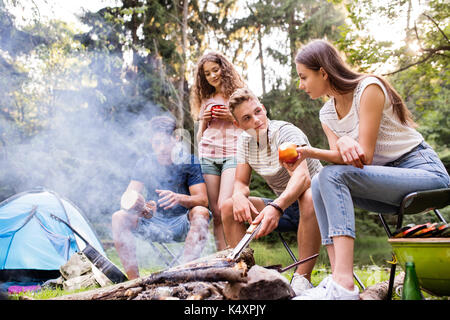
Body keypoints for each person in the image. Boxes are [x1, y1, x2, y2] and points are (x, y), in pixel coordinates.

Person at [292, 39, 450, 300]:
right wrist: (325, 148)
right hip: (386, 184)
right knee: (321, 179)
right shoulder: (326, 114)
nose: (301, 85)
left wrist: (313, 150)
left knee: (328, 175)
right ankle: (337, 279)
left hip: (425, 173)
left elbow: (362, 154)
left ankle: (344, 286)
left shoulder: (368, 88)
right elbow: (342, 160)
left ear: (323, 72)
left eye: (303, 77)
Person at [220, 87, 323, 295]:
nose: (256, 120)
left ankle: (302, 280)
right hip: (286, 208)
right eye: (247, 118)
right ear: (237, 125)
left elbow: (302, 178)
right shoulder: (245, 142)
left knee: (309, 195)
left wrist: (276, 207)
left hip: (319, 206)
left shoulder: (285, 133)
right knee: (228, 206)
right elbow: (241, 182)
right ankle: (246, 277)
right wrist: (238, 195)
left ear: (264, 109)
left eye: (258, 111)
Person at [111, 115, 211, 280]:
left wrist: (179, 198)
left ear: (176, 139)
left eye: (166, 142)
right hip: (153, 222)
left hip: (182, 223)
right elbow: (127, 198)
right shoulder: (144, 163)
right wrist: (141, 207)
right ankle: (133, 282)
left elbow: (203, 200)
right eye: (157, 143)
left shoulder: (190, 162)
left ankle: (184, 276)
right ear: (151, 142)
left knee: (201, 212)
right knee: (118, 217)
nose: (162, 148)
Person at [190, 52, 246, 250]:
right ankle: (223, 259)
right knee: (215, 211)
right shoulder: (206, 100)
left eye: (216, 69)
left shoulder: (240, 95)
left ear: (225, 68)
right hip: (209, 156)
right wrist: (204, 119)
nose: (213, 75)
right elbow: (199, 137)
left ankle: (236, 253)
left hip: (233, 154)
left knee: (225, 205)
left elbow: (254, 125)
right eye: (207, 73)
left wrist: (232, 117)